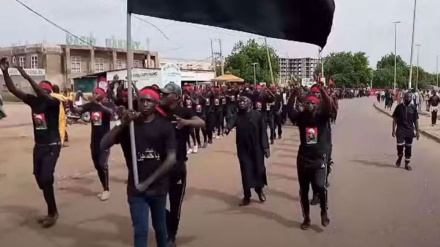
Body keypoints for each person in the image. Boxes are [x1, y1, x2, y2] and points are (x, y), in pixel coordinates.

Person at [101, 87, 176, 247]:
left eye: (149, 100)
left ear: (156, 103)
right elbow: (104, 144)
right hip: (136, 189)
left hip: (158, 188)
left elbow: (170, 159)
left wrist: (147, 183)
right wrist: (122, 124)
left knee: (160, 228)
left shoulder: (164, 126)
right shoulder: (130, 126)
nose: (145, 104)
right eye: (142, 100)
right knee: (140, 231)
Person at [0, 57, 61, 227]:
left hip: (52, 145)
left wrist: (26, 76)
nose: (40, 92)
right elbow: (13, 89)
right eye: (39, 90)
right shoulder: (33, 102)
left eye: (43, 90)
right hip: (39, 146)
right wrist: (5, 72)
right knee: (40, 180)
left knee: (47, 178)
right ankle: (51, 206)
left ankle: (53, 213)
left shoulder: (54, 103)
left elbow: (43, 94)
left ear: (49, 92)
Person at [158, 82, 205, 247]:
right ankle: (165, 227)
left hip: (177, 166)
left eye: (166, 94)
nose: (162, 96)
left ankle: (171, 234)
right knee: (155, 202)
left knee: (175, 204)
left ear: (176, 96)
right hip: (158, 167)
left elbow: (201, 122)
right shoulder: (158, 112)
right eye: (162, 93)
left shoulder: (185, 111)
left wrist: (186, 122)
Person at [287, 84, 332, 230]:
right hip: (303, 159)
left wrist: (323, 90)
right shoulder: (300, 118)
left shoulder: (323, 117)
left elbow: (329, 106)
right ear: (304, 104)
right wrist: (293, 94)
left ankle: (324, 211)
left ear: (317, 104)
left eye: (313, 102)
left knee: (320, 186)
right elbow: (289, 110)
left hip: (319, 159)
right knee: (304, 190)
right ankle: (306, 218)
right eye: (308, 103)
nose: (310, 105)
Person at [69, 87, 114, 200]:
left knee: (102, 164)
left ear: (102, 95)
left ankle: (106, 189)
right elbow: (77, 110)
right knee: (97, 165)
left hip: (105, 140)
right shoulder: (90, 105)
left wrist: (99, 105)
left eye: (96, 93)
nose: (94, 94)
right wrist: (70, 105)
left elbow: (111, 113)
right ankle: (104, 186)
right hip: (94, 140)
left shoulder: (107, 105)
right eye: (93, 93)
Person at [225, 94, 270, 206]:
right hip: (243, 149)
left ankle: (259, 190)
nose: (241, 103)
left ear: (249, 103)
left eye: (244, 101)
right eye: (239, 101)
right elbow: (231, 123)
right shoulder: (237, 116)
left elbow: (263, 132)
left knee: (259, 170)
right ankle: (247, 196)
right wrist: (227, 128)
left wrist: (265, 147)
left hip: (257, 148)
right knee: (245, 171)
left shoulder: (257, 115)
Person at [392, 92, 420, 171]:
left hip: (410, 131)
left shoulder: (413, 108)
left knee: (408, 148)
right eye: (407, 97)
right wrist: (393, 130)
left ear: (411, 98)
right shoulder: (399, 107)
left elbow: (416, 121)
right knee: (400, 146)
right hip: (400, 130)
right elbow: (394, 119)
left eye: (410, 97)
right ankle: (400, 157)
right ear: (403, 98)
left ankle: (407, 164)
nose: (408, 99)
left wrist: (417, 132)